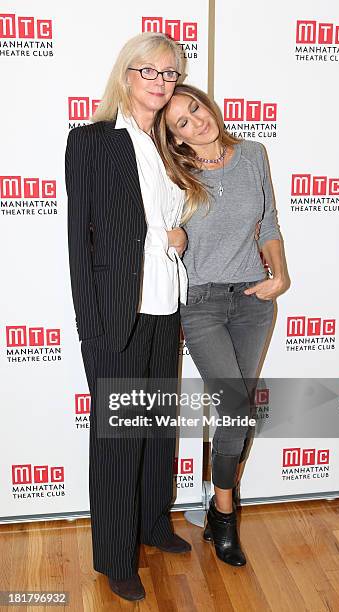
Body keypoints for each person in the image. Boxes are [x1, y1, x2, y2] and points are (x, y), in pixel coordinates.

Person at [65, 33, 191, 603]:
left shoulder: (170, 145)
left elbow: (177, 219)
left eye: (170, 73)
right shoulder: (92, 142)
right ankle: (116, 556)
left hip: (167, 306)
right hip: (119, 312)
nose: (162, 82)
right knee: (119, 438)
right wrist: (91, 329)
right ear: (126, 76)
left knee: (157, 427)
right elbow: (80, 242)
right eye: (151, 72)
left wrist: (181, 235)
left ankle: (153, 525)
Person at [153, 83, 288, 567]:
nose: (196, 121)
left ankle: (217, 507)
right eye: (182, 123)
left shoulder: (253, 154)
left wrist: (280, 275)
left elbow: (268, 223)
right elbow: (159, 231)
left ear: (207, 104)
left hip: (253, 300)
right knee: (234, 407)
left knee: (239, 410)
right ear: (175, 138)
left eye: (195, 108)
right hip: (202, 304)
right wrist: (172, 237)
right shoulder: (173, 172)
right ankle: (225, 514)